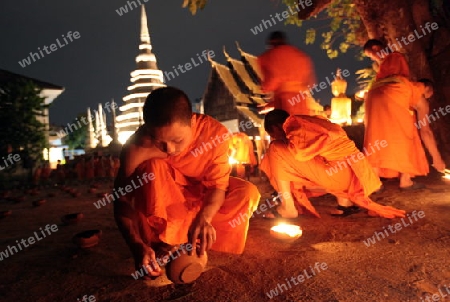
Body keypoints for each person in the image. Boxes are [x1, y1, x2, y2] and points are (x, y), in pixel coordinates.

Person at [113, 87, 260, 279]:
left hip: (202, 202)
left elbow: (218, 187)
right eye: (160, 142)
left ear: (192, 121)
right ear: (148, 130)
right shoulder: (137, 148)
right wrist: (136, 245)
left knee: (246, 191)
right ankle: (163, 243)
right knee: (151, 168)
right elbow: (121, 200)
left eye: (177, 140)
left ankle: (198, 236)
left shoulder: (214, 135)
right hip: (166, 205)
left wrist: (205, 217)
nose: (170, 149)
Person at [260, 109, 406, 219]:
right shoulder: (309, 121)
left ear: (276, 127)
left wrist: (280, 143)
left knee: (275, 150)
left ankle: (288, 207)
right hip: (355, 173)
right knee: (311, 162)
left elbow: (299, 155)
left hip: (340, 175)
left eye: (274, 135)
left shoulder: (294, 126)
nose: (278, 138)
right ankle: (345, 204)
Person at [363, 39, 445, 189]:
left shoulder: (390, 72)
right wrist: (437, 159)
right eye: (428, 97)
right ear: (428, 90)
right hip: (391, 93)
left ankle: (373, 181)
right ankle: (406, 180)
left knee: (377, 134)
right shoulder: (413, 88)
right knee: (411, 132)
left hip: (372, 95)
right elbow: (425, 131)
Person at [257, 31, 317, 115]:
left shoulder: (268, 56)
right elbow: (311, 83)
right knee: (300, 125)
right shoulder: (301, 56)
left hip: (284, 102)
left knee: (285, 125)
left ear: (271, 43)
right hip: (301, 101)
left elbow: (270, 83)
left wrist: (264, 88)